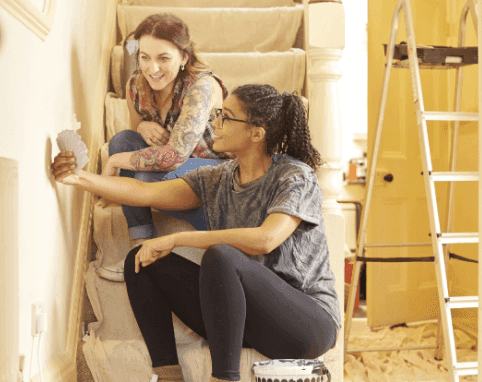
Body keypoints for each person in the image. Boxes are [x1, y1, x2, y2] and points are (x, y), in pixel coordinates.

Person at [51, 84, 340, 382]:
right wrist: (79, 177)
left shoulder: (295, 176)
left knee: (222, 256)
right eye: (217, 114)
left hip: (305, 324)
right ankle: (168, 375)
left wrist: (178, 238)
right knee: (142, 260)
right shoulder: (216, 177)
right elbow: (143, 191)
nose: (214, 123)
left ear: (257, 133)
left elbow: (265, 240)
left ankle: (223, 378)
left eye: (225, 117)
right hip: (241, 317)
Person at [99, 13, 233, 281]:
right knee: (121, 141)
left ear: (184, 57)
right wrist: (140, 127)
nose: (153, 69)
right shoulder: (136, 85)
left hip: (214, 173)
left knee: (145, 176)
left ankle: (204, 237)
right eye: (145, 57)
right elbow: (133, 129)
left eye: (163, 58)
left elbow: (174, 157)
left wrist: (113, 164)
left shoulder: (201, 87)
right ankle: (140, 243)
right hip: (175, 172)